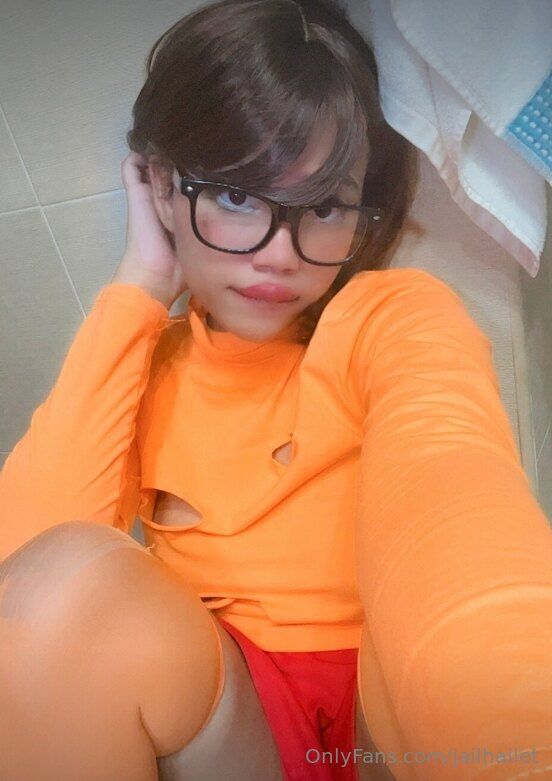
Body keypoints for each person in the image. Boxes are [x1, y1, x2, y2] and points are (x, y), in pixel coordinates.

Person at [1, 1, 551, 780]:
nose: (281, 254)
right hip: (227, 732)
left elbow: (453, 496)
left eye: (322, 206)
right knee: (62, 592)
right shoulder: (142, 368)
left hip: (377, 724)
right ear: (161, 185)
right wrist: (141, 284)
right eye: (236, 196)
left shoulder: (385, 319)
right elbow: (22, 586)